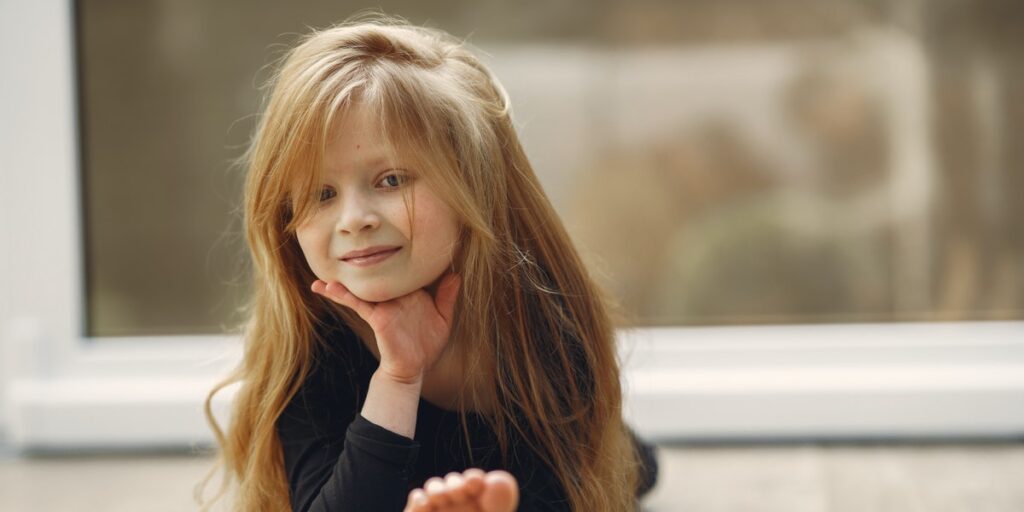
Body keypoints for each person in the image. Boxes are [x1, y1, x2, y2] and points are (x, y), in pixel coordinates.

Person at [195, 13, 658, 512]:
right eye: (321, 193)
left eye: (392, 180)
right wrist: (398, 375)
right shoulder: (310, 347)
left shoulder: (543, 316)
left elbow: (573, 494)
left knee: (635, 466)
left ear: (475, 185)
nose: (354, 219)